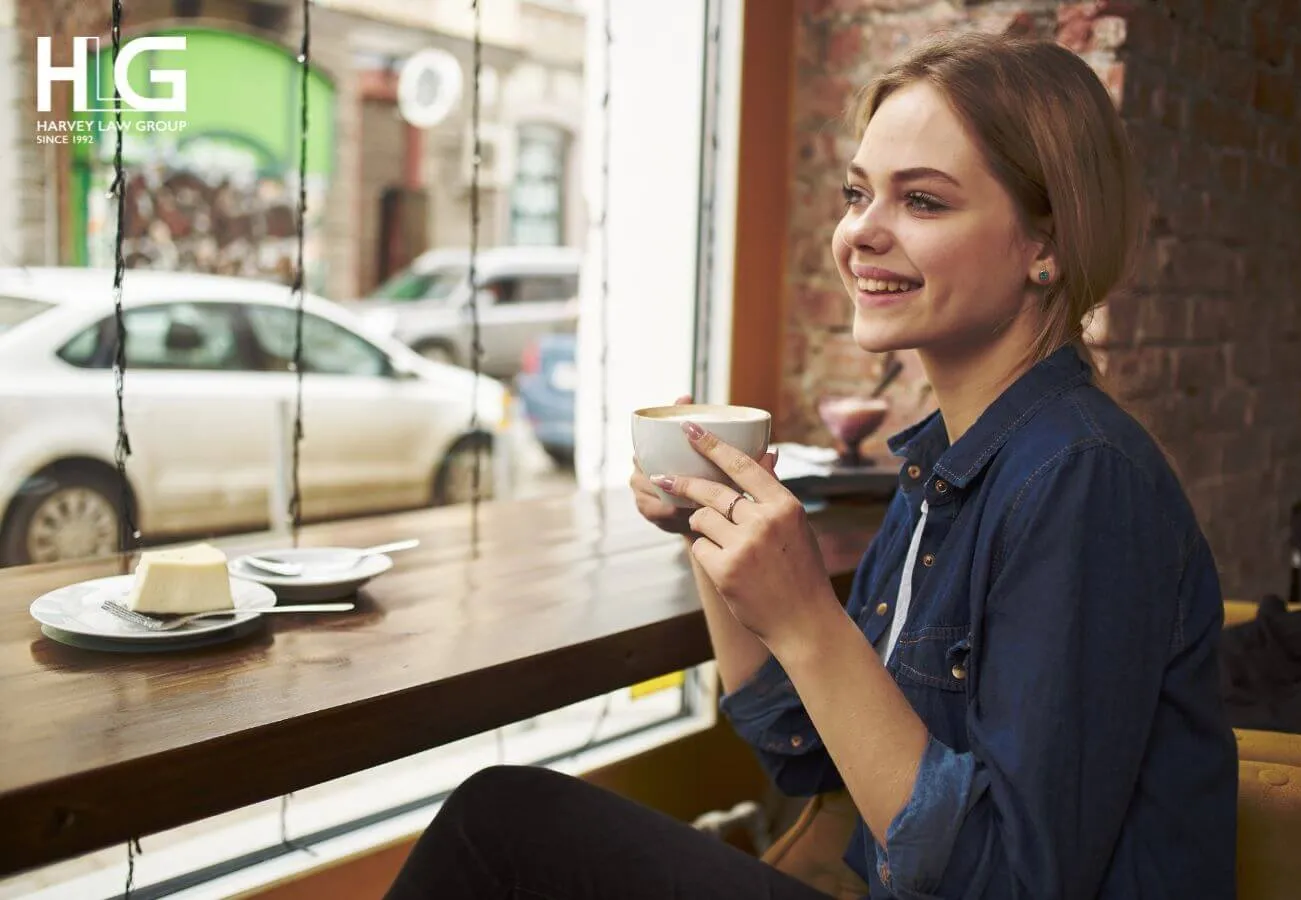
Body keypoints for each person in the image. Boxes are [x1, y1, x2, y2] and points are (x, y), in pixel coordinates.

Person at [384, 30, 1238, 900]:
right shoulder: (945, 465)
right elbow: (804, 750)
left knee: (501, 825)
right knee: (507, 819)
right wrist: (710, 527)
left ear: (1044, 244)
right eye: (858, 194)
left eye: (923, 201)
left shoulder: (1083, 479)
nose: (861, 232)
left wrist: (807, 619)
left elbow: (1011, 883)